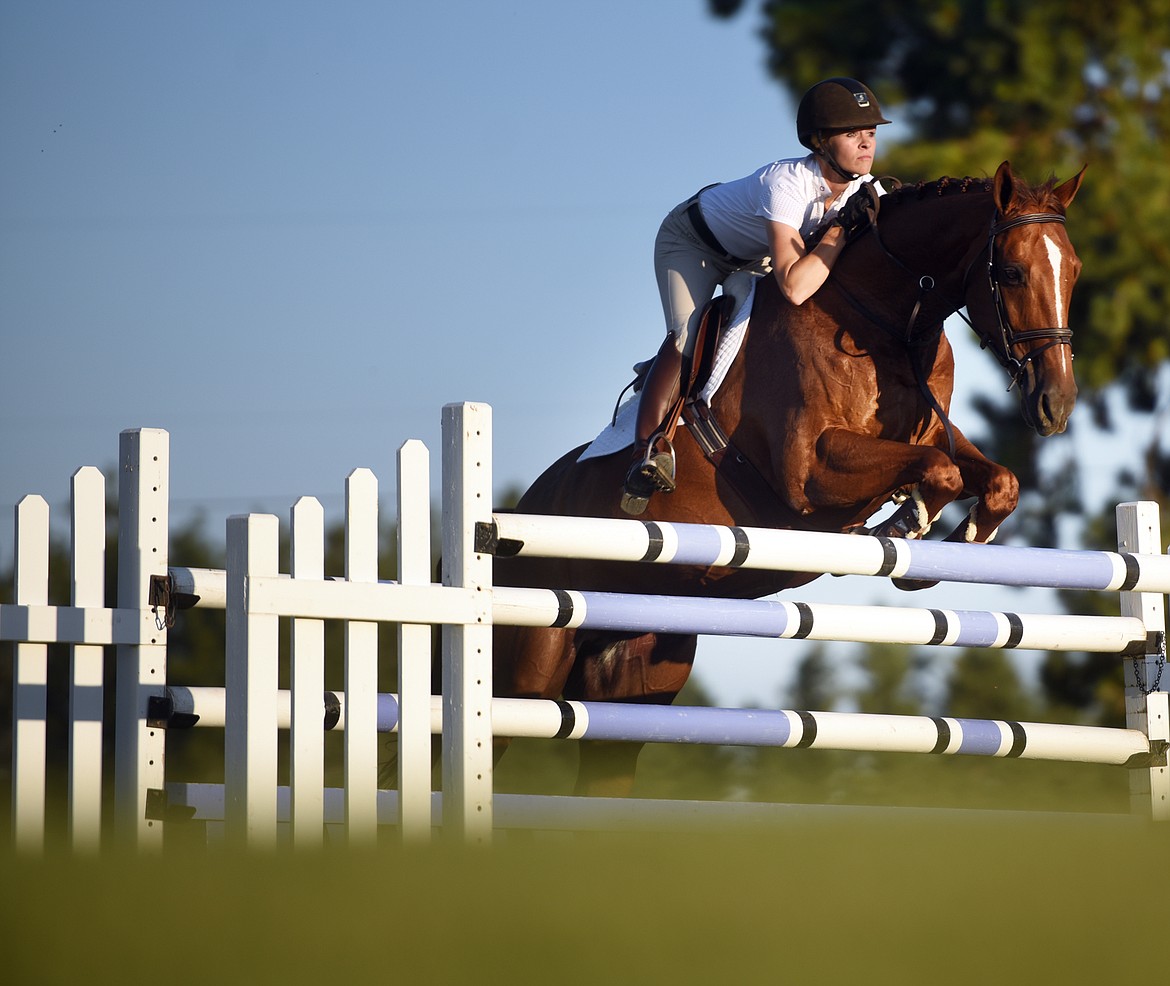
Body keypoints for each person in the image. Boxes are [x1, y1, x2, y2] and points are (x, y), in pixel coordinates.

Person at [620, 77, 892, 516]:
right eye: (851, 133)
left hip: (755, 255)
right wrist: (841, 230)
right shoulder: (786, 183)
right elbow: (795, 286)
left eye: (871, 133)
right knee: (688, 335)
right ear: (821, 142)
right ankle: (647, 450)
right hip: (694, 243)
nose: (866, 143)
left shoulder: (867, 188)